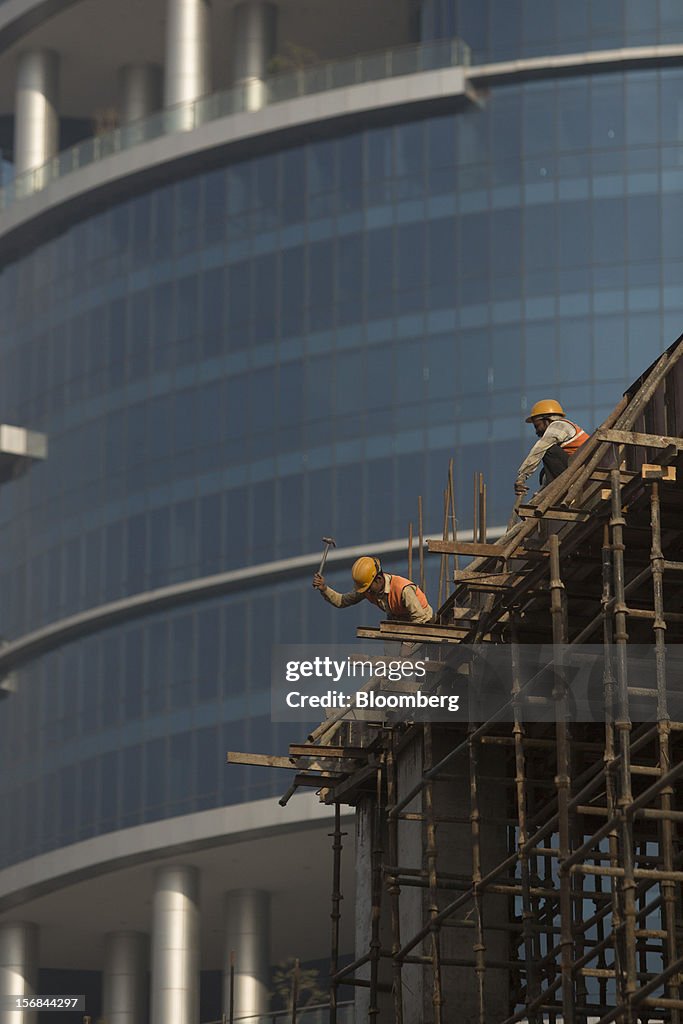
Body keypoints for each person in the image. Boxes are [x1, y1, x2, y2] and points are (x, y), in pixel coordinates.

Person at [313, 556, 434, 624]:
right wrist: (324, 588)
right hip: (400, 622)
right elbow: (341, 601)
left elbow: (420, 618)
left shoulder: (402, 589)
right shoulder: (367, 589)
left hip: (424, 623)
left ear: (379, 579)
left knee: (405, 654)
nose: (367, 592)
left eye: (367, 588)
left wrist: (408, 642)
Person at [514, 400, 590, 498]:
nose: (536, 431)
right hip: (579, 470)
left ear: (547, 420)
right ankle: (548, 492)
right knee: (544, 472)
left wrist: (522, 476)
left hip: (582, 472)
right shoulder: (563, 430)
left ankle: (552, 493)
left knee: (548, 450)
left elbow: (539, 450)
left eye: (537, 426)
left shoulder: (559, 425)